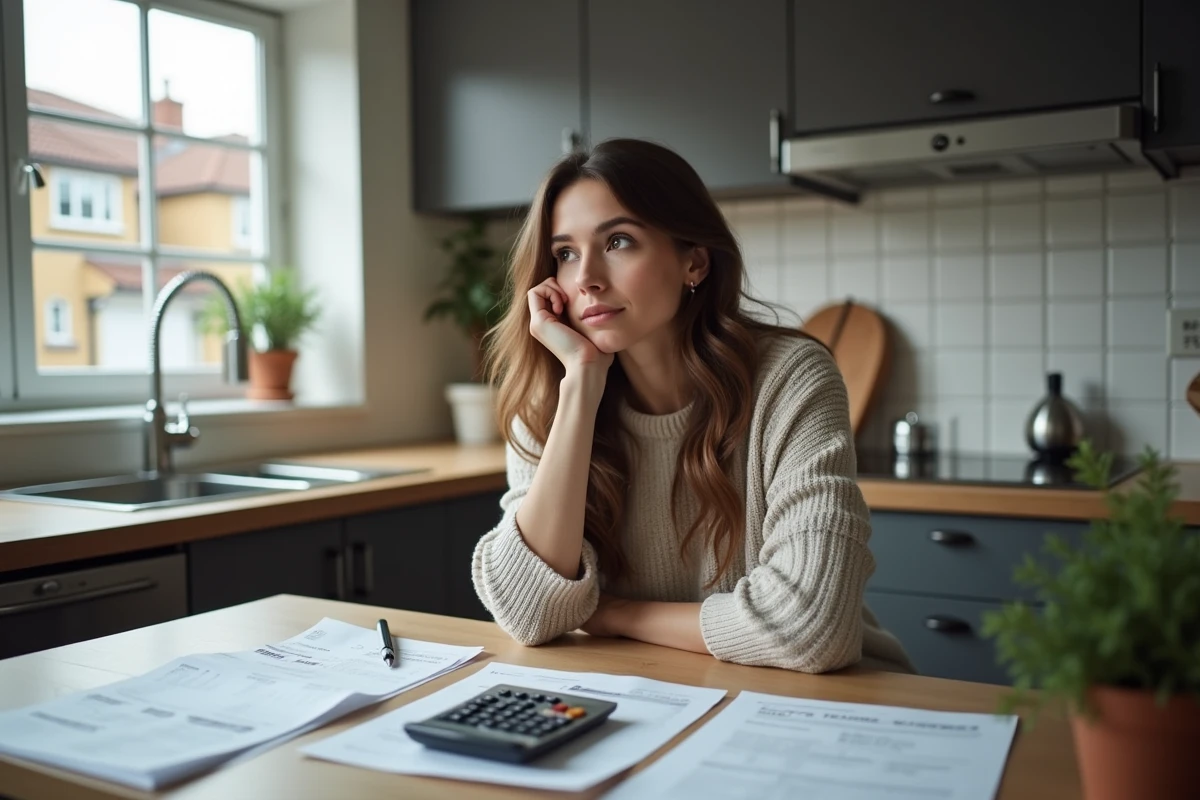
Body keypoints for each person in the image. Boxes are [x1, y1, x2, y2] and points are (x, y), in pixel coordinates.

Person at [472, 139, 913, 674]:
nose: (585, 276)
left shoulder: (791, 378)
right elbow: (529, 613)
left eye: (618, 241)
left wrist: (616, 615)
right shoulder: (554, 397)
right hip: (658, 696)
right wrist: (582, 384)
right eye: (565, 253)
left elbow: (812, 629)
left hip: (826, 703)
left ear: (694, 263)